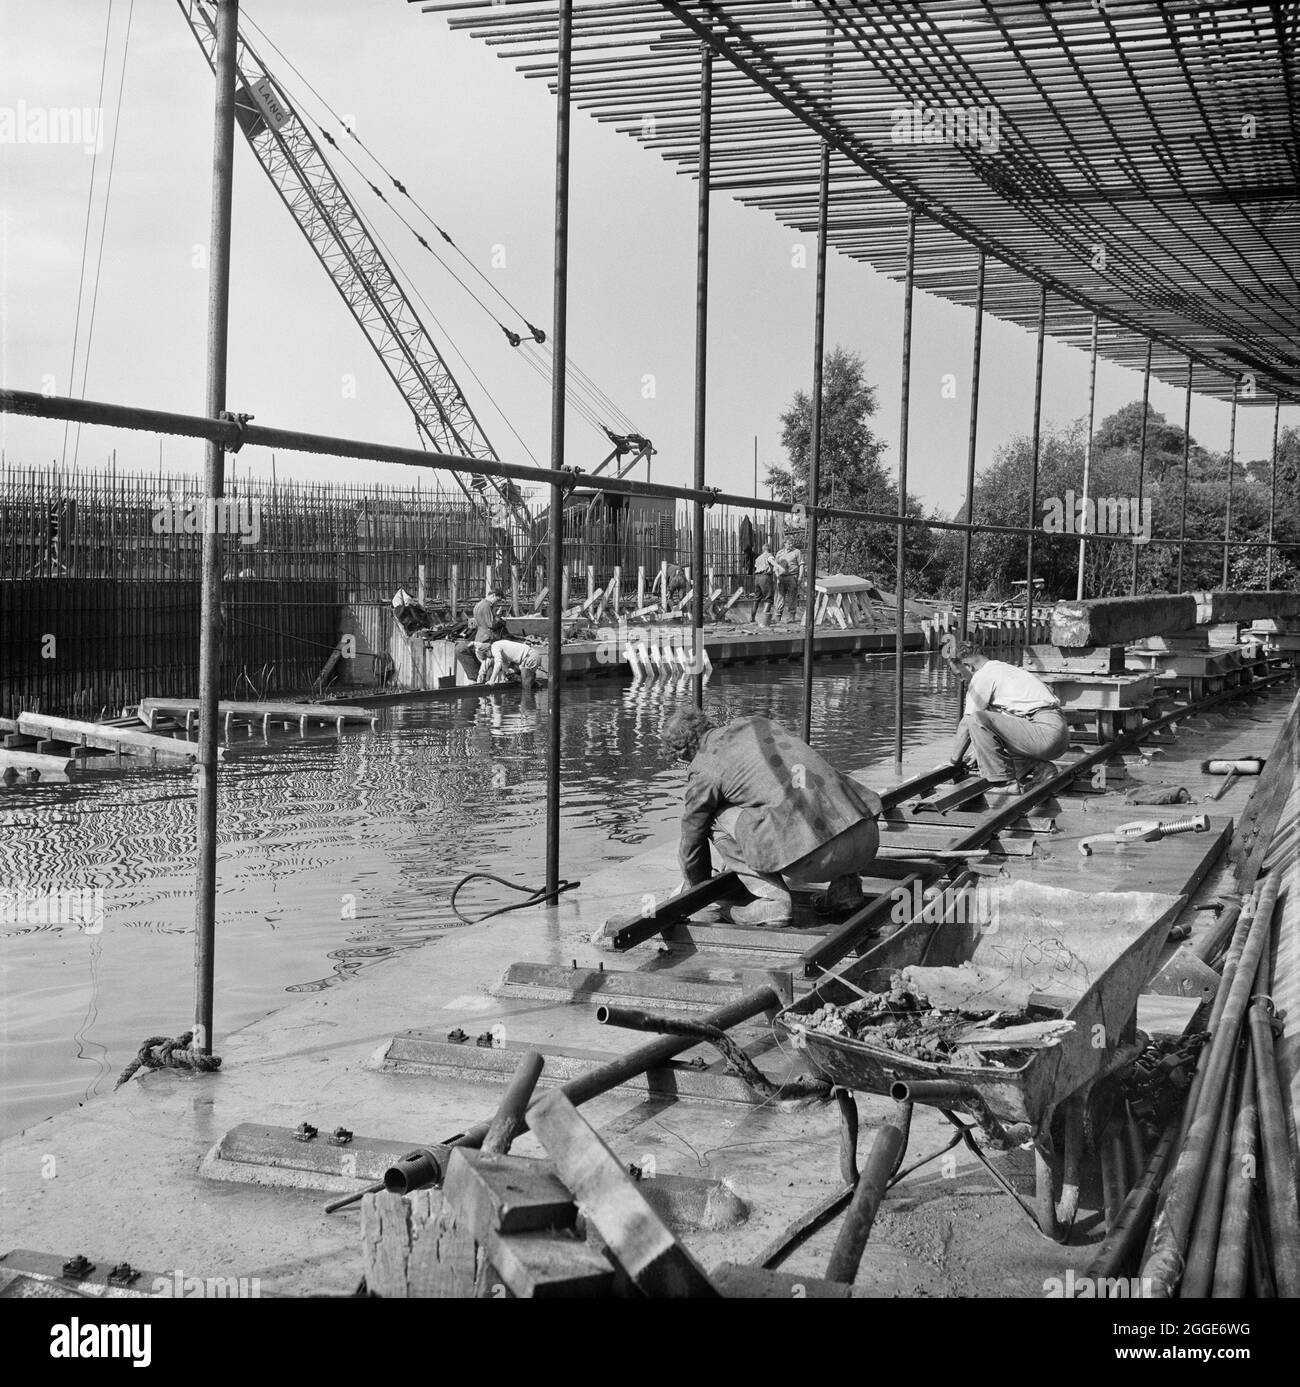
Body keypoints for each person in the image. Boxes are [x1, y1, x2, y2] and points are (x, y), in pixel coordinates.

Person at [662, 708, 883, 927]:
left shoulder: (704, 769)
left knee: (713, 816)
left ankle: (773, 900)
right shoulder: (755, 723)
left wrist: (695, 888)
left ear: (682, 756)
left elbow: (692, 836)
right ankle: (846, 889)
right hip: (866, 836)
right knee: (807, 791)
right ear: (707, 724)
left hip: (815, 859)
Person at [946, 639, 1070, 798]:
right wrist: (979, 752)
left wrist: (953, 762)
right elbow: (1005, 723)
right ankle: (1040, 768)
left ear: (968, 666)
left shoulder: (981, 677)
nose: (961, 680)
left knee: (976, 719)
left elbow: (967, 723)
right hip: (1058, 735)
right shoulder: (1003, 669)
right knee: (989, 719)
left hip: (1044, 735)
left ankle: (1004, 783)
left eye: (959, 675)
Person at [472, 588, 507, 682]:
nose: (497, 602)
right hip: (487, 638)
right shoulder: (487, 605)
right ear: (493, 595)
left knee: (487, 662)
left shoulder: (478, 604)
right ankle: (485, 682)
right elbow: (491, 624)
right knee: (491, 661)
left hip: (479, 637)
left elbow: (479, 621)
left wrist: (496, 615)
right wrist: (501, 621)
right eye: (498, 600)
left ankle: (484, 682)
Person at [773, 538, 803, 621]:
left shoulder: (797, 552)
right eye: (789, 543)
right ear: (784, 544)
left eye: (792, 543)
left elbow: (801, 564)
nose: (791, 545)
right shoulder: (779, 553)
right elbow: (775, 566)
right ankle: (778, 616)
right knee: (780, 596)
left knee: (792, 596)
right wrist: (777, 576)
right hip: (781, 577)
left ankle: (791, 617)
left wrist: (800, 577)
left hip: (792, 576)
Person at [751, 543, 777, 622]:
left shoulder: (758, 558)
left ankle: (752, 619)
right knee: (768, 598)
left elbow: (756, 567)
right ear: (769, 549)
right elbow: (771, 561)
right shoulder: (769, 555)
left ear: (762, 550)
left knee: (756, 598)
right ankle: (764, 619)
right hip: (765, 577)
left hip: (757, 578)